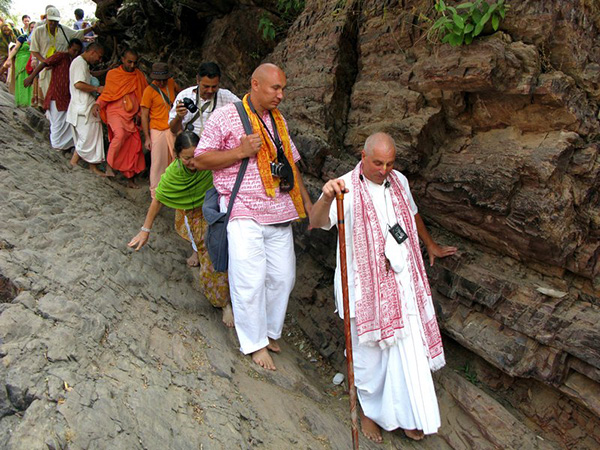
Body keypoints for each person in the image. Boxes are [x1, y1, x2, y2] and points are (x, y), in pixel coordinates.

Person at [309, 132, 458, 443]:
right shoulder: (344, 189)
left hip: (402, 282)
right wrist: (325, 196)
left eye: (389, 163)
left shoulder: (399, 181)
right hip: (363, 288)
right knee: (370, 355)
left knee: (407, 349)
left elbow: (413, 214)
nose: (383, 169)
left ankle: (406, 414)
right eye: (377, 163)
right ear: (363, 157)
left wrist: (429, 245)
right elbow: (315, 221)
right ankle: (369, 414)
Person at [193, 63, 313, 371]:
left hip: (279, 210)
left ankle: (270, 331)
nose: (281, 95)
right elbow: (201, 158)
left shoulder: (278, 121)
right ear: (255, 84)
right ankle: (254, 342)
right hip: (241, 208)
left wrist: (308, 207)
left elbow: (292, 164)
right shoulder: (225, 116)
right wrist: (239, 152)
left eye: (283, 88)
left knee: (283, 277)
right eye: (275, 88)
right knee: (249, 278)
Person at [128, 131, 234, 327]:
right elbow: (158, 199)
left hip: (218, 211)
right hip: (196, 217)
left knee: (228, 252)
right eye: (187, 158)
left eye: (196, 156)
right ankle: (224, 302)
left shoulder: (208, 162)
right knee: (210, 254)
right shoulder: (173, 175)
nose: (193, 162)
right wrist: (145, 230)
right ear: (177, 156)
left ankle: (235, 296)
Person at [97, 48, 148, 188]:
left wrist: (139, 114)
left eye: (134, 63)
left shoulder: (139, 76)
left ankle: (130, 179)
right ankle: (109, 165)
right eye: (129, 62)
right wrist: (97, 105)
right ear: (123, 60)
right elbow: (107, 94)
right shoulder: (113, 74)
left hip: (131, 116)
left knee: (134, 147)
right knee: (119, 135)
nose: (132, 65)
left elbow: (143, 97)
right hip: (115, 113)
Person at [25, 39, 83, 151]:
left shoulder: (75, 61)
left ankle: (64, 146)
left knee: (66, 123)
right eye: (74, 50)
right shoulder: (61, 56)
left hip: (67, 97)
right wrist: (31, 77)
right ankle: (56, 146)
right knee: (57, 124)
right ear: (69, 48)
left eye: (78, 51)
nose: (75, 53)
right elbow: (44, 63)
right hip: (55, 95)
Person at [29, 6, 94, 98]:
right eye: (51, 20)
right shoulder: (39, 31)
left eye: (55, 21)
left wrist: (93, 28)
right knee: (49, 95)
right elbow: (34, 50)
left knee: (62, 94)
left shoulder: (63, 29)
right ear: (46, 18)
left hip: (62, 67)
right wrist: (46, 62)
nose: (53, 23)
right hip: (47, 68)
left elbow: (78, 34)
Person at [140, 62, 180, 198]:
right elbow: (144, 115)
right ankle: (155, 193)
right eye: (159, 80)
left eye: (164, 79)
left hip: (173, 128)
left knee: (176, 160)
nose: (162, 82)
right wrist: (147, 138)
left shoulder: (171, 83)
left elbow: (180, 95)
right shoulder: (148, 91)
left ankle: (174, 189)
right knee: (158, 163)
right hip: (157, 129)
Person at [169, 62, 239, 138]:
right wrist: (179, 117)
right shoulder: (185, 95)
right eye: (206, 86)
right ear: (198, 81)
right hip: (191, 145)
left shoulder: (226, 96)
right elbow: (173, 130)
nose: (210, 91)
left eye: (214, 87)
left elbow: (245, 109)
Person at [65, 42, 106, 176]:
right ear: (92, 52)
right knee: (87, 137)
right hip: (81, 105)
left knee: (89, 135)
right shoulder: (80, 63)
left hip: (83, 105)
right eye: (99, 57)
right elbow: (78, 84)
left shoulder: (83, 64)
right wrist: (96, 88)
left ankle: (84, 164)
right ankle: (76, 162)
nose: (99, 60)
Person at [2, 27, 32, 106]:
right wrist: (9, 59)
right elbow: (15, 49)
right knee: (22, 80)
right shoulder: (23, 38)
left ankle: (30, 101)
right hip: (22, 61)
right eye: (31, 27)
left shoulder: (38, 38)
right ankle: (22, 101)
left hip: (32, 61)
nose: (33, 29)